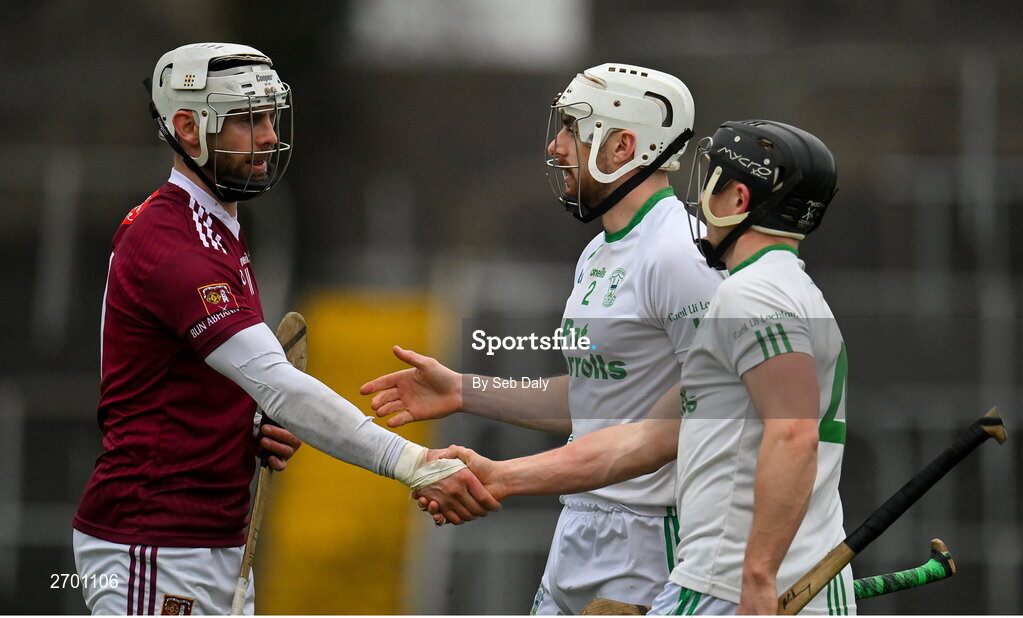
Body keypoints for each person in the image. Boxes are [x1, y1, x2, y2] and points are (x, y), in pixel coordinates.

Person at [71, 42, 497, 616]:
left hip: (207, 541)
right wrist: (413, 464)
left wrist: (241, 425)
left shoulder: (216, 228)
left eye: (271, 116)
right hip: (156, 543)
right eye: (248, 120)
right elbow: (278, 383)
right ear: (187, 128)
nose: (270, 136)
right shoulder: (172, 243)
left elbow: (182, 381)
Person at [435, 119, 853, 615]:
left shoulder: (752, 294)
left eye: (713, 182)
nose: (701, 201)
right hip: (749, 581)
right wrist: (504, 475)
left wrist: (759, 574)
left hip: (729, 586)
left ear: (740, 200)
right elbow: (644, 440)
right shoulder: (794, 293)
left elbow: (794, 435)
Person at [360, 63, 724, 614]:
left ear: (623, 144)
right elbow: (596, 396)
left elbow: (698, 414)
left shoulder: (683, 254)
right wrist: (464, 389)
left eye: (572, 129)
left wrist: (506, 477)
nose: (555, 147)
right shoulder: (598, 253)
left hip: (655, 542)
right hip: (581, 525)